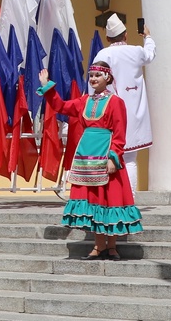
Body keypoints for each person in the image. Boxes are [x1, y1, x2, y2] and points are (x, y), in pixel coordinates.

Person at [39, 62, 142, 259]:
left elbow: (120, 133)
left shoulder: (116, 102)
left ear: (108, 78)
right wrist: (47, 86)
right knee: (94, 201)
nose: (94, 79)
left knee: (108, 200)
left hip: (105, 155)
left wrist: (114, 157)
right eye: (91, 75)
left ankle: (111, 246)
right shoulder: (83, 101)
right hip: (86, 157)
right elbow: (61, 106)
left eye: (98, 75)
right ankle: (98, 245)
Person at [93, 15, 156, 187]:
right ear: (125, 35)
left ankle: (111, 201)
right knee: (129, 159)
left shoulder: (103, 54)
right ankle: (130, 201)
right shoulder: (136, 51)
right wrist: (147, 37)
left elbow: (94, 83)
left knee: (108, 156)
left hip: (109, 112)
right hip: (133, 113)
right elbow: (150, 54)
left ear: (107, 38)